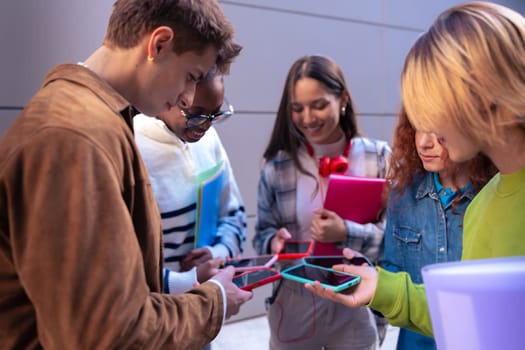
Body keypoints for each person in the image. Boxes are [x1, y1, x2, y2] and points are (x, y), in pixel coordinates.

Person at [0, 1, 253, 348]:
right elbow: (106, 334)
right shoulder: (74, 137)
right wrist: (214, 302)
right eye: (191, 76)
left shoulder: (96, 120)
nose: (187, 97)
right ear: (158, 44)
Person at [305, 0, 525, 340]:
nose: (424, 130)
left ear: (478, 94)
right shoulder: (486, 205)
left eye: (429, 105)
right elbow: (470, 318)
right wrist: (383, 288)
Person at [254, 54, 391, 349]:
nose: (307, 118)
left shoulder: (378, 157)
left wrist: (346, 233)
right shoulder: (277, 167)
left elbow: (396, 239)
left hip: (356, 298)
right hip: (295, 300)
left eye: (318, 105)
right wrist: (273, 244)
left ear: (342, 99)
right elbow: (262, 235)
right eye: (297, 109)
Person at [381, 108, 497, 350]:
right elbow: (393, 269)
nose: (424, 143)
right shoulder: (402, 193)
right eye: (419, 127)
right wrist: (368, 277)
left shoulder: (494, 198)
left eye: (437, 130)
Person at [134, 73, 247, 295]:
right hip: (156, 313)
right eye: (196, 115)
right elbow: (120, 264)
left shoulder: (209, 140)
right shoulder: (132, 147)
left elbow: (235, 215)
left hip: (204, 308)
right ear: (169, 96)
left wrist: (218, 253)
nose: (205, 125)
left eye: (215, 114)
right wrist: (188, 280)